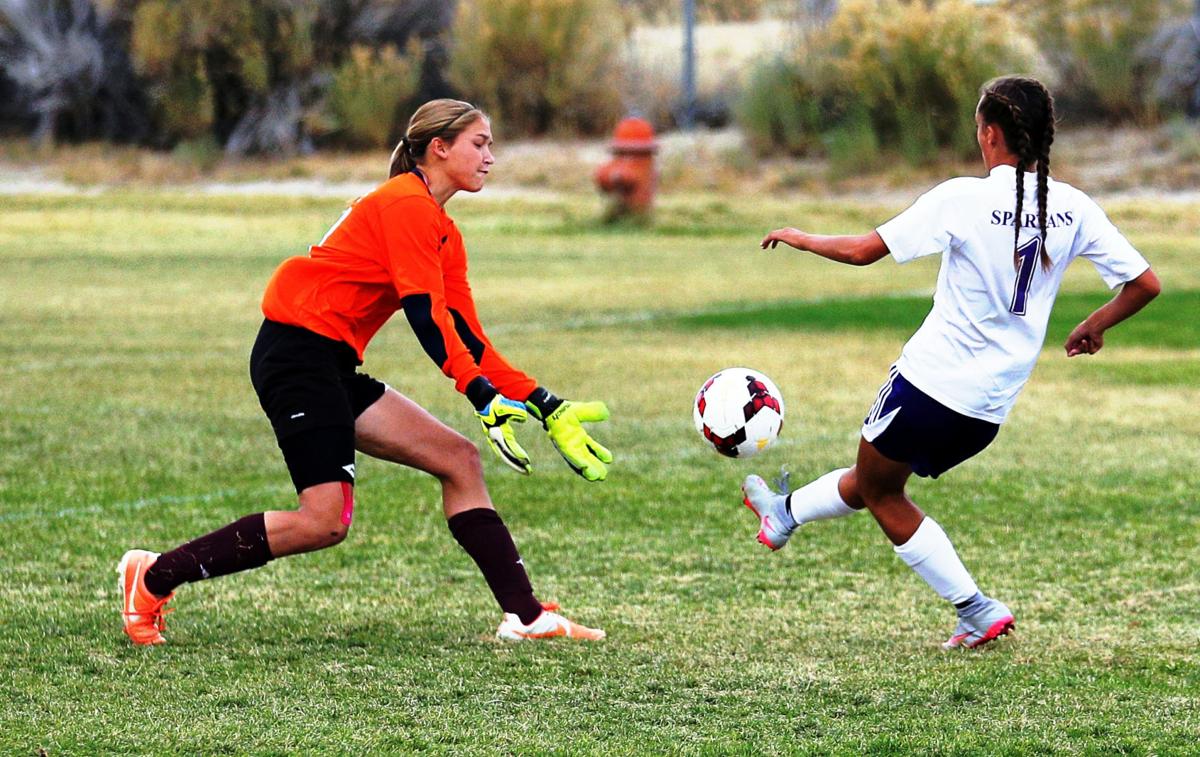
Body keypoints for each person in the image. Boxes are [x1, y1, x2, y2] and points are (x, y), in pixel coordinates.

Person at [118, 99, 613, 646]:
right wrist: (478, 395)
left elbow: (468, 337)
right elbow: (425, 316)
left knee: (458, 459)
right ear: (439, 148)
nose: (491, 157)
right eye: (481, 143)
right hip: (296, 355)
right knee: (323, 521)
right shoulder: (407, 205)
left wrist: (546, 404)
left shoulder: (441, 228)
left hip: (330, 361)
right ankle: (154, 575)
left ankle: (526, 617)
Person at [743, 76, 1161, 649]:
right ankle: (783, 513)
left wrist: (799, 235)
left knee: (881, 489)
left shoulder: (963, 197)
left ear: (990, 134)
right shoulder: (1075, 207)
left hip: (930, 382)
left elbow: (865, 251)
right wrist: (1094, 324)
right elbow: (1144, 284)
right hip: (989, 406)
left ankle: (976, 610)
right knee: (875, 479)